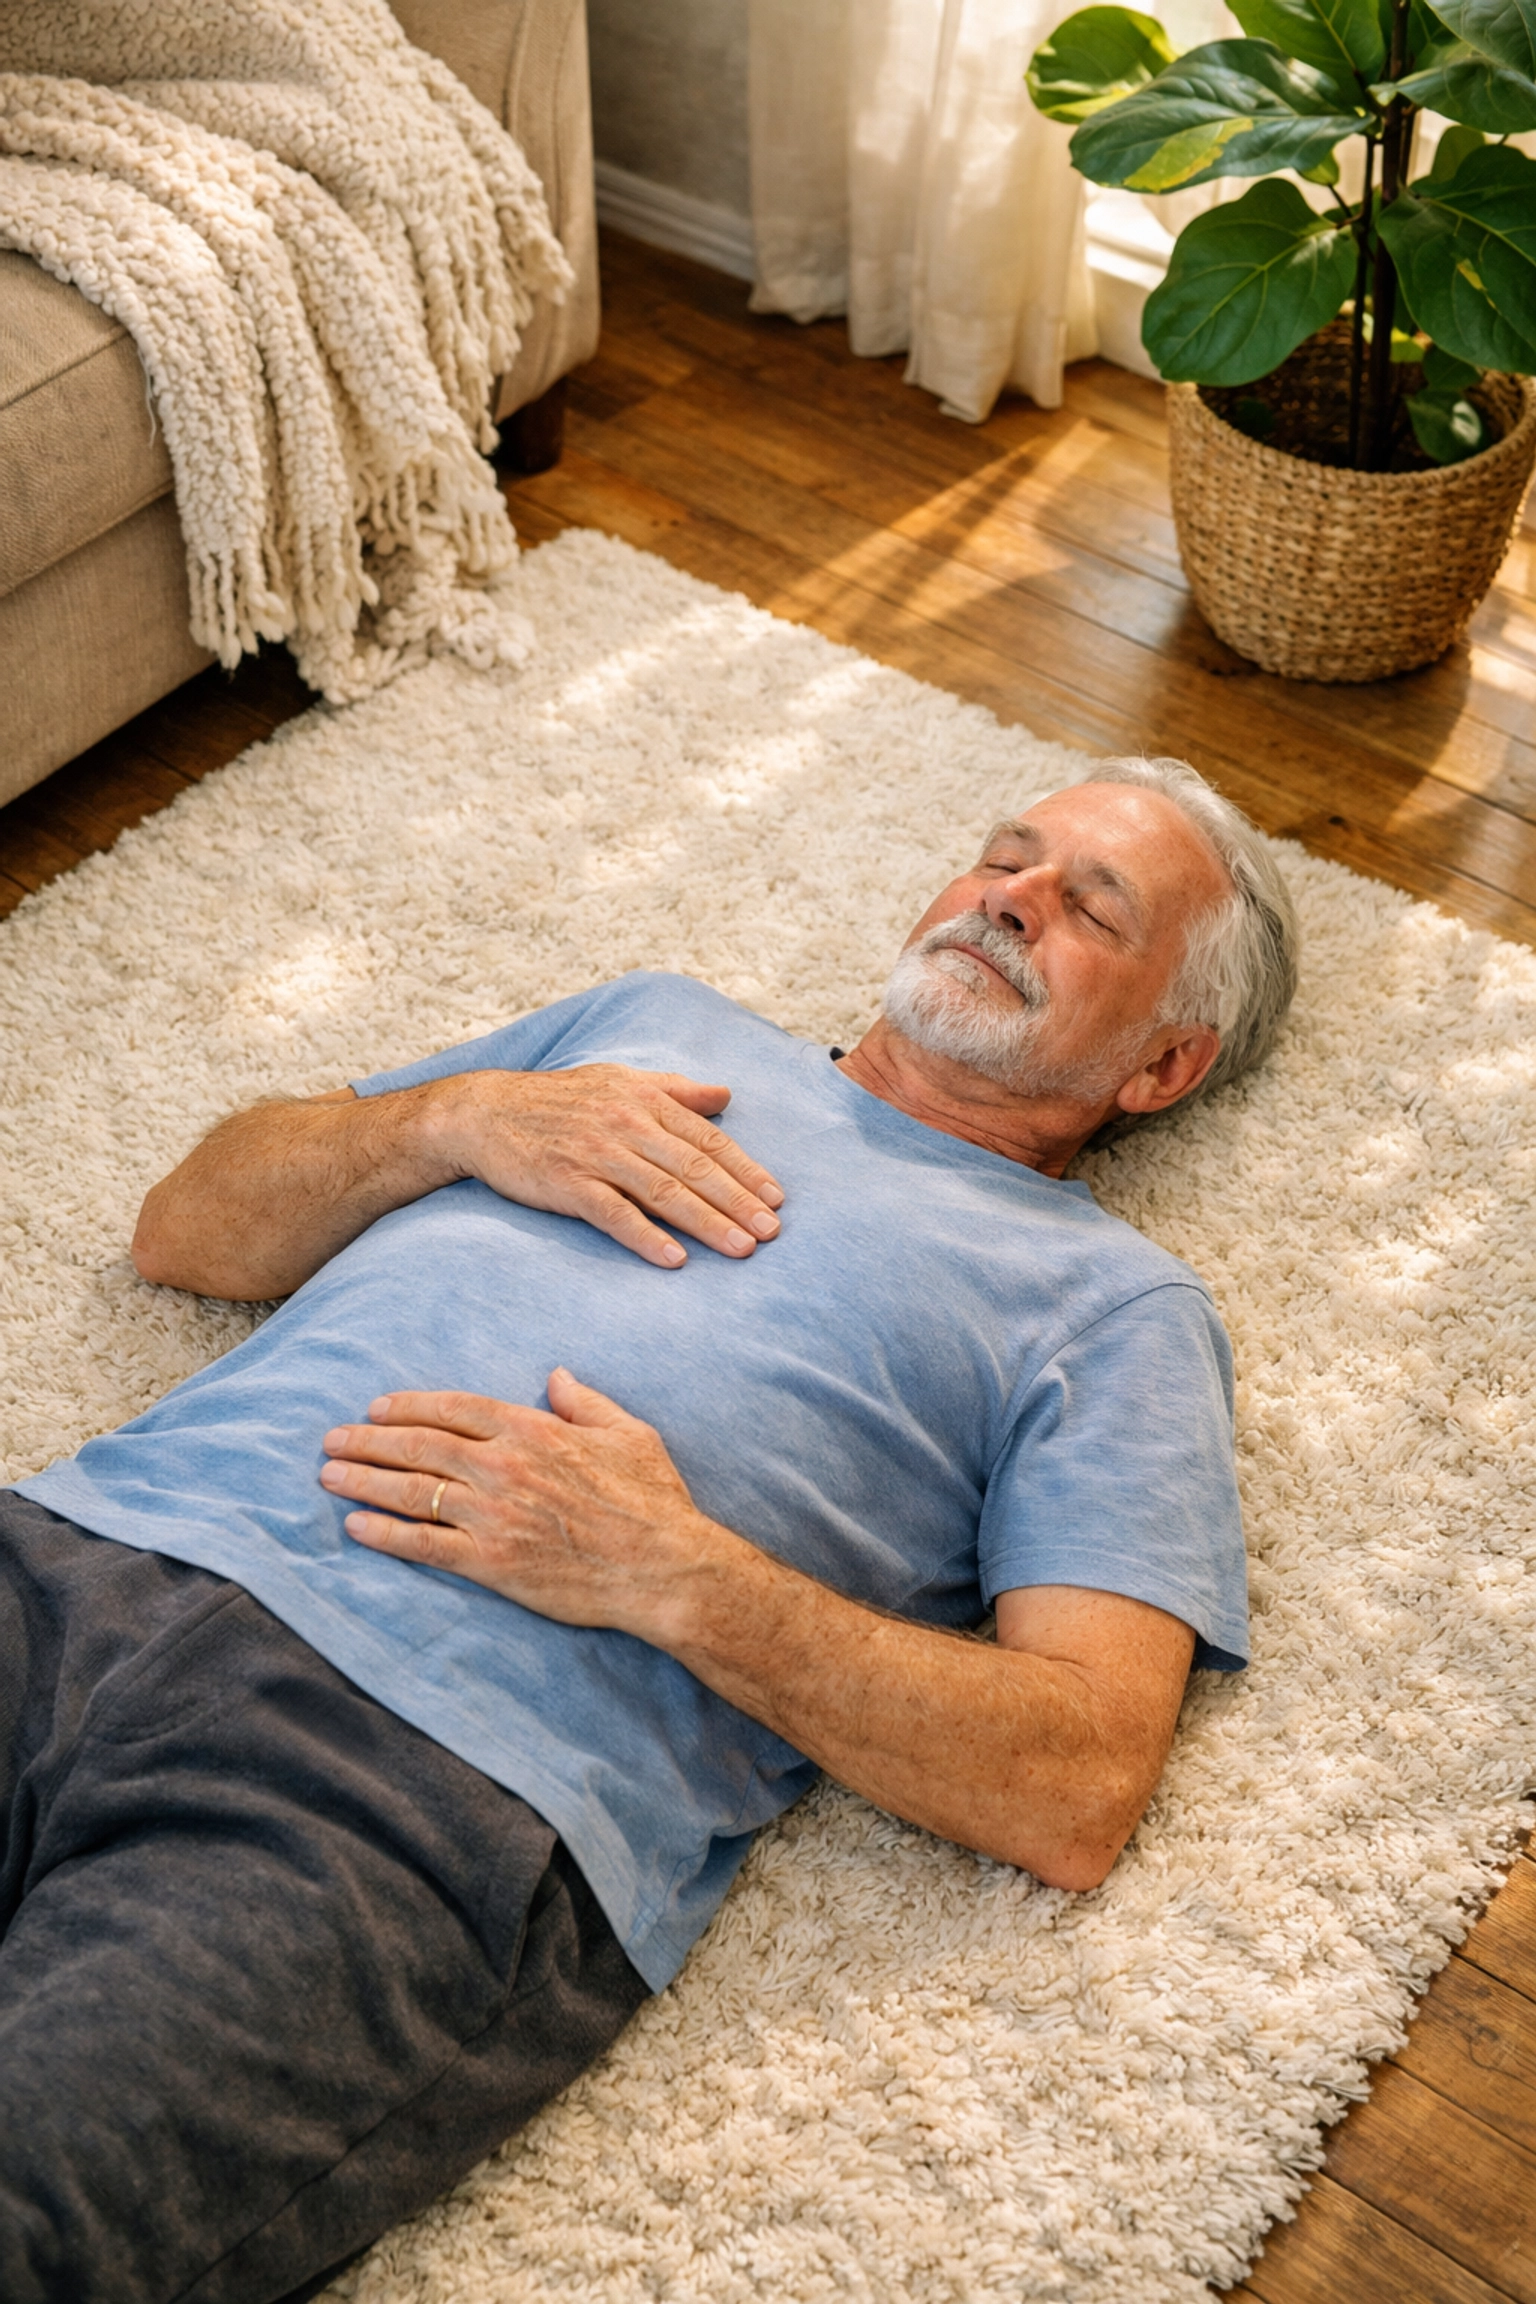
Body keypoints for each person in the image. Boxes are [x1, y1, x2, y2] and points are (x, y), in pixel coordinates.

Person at [0, 756, 1297, 2304]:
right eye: (1002, 859)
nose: (1008, 898)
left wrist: (672, 1576)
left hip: (404, 1799)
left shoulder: (1116, 1312)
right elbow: (184, 1231)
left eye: (1089, 907)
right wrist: (454, 1120)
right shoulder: (649, 1024)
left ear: (1159, 1066)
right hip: (71, 1558)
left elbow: (1075, 1780)